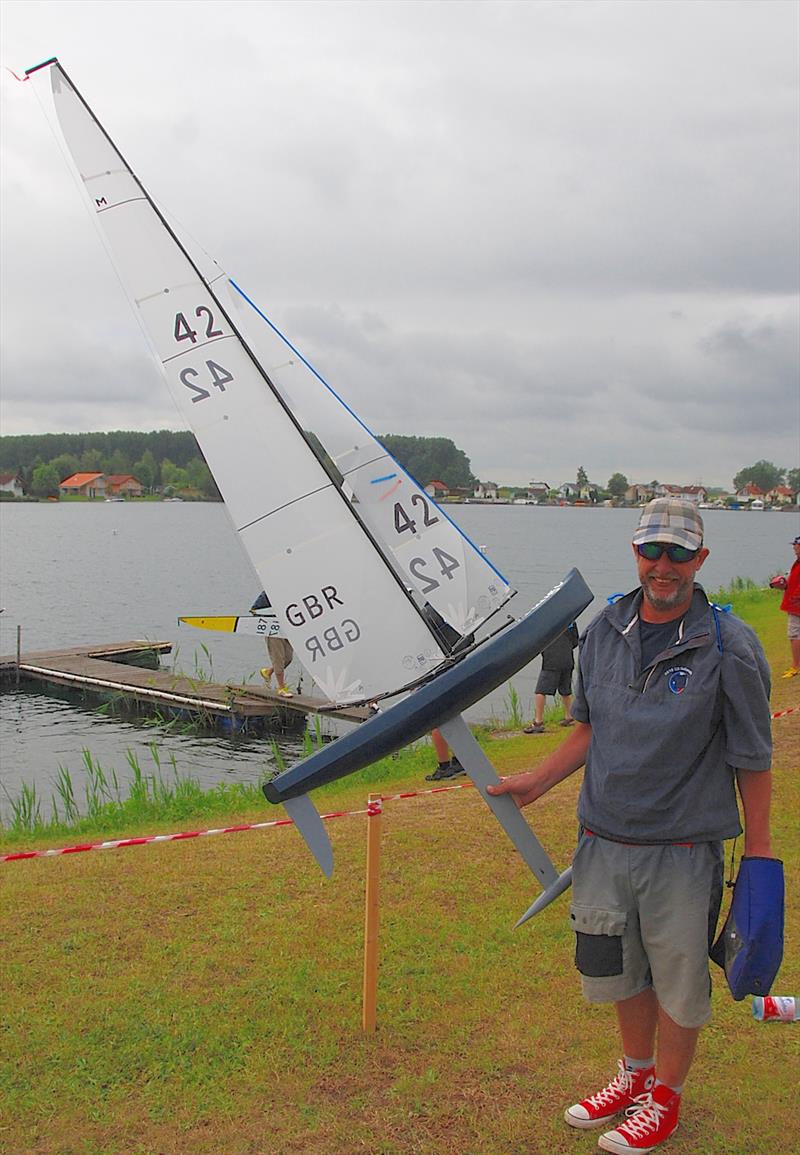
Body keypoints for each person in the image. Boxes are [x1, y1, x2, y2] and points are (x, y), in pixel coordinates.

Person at [488, 498, 773, 1153]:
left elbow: (753, 757)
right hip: (602, 844)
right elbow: (589, 728)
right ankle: (636, 1075)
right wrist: (537, 780)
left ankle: (665, 1097)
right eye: (652, 551)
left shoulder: (729, 643)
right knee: (619, 969)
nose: (663, 565)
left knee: (677, 977)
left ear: (701, 559)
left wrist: (759, 854)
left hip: (680, 850)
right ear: (636, 552)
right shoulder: (604, 628)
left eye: (678, 553)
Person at [523, 621, 579, 733]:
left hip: (551, 660)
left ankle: (538, 722)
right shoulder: (570, 619)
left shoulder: (546, 620)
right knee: (565, 690)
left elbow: (538, 641)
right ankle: (569, 716)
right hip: (567, 659)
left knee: (540, 691)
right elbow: (575, 641)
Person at [250, 590, 294, 698]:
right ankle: (281, 688)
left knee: (288, 658)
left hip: (286, 628)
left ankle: (268, 672)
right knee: (278, 658)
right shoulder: (268, 592)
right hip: (272, 629)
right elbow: (254, 610)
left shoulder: (291, 591)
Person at [778, 534, 800, 678]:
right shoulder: (797, 563)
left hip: (796, 606)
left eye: (796, 545)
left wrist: (795, 598)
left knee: (794, 634)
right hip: (794, 603)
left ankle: (796, 666)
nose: (794, 548)